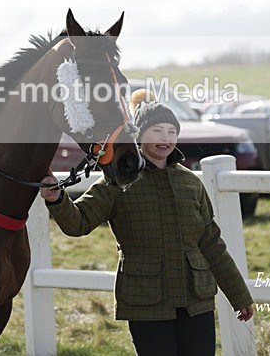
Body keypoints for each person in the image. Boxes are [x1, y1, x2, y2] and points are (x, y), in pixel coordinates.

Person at [40, 89, 254, 356]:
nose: (165, 138)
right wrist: (57, 199)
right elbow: (78, 223)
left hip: (196, 301)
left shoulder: (190, 182)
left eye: (171, 131)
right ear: (138, 136)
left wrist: (239, 295)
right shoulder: (117, 181)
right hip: (147, 302)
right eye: (156, 131)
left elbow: (211, 243)